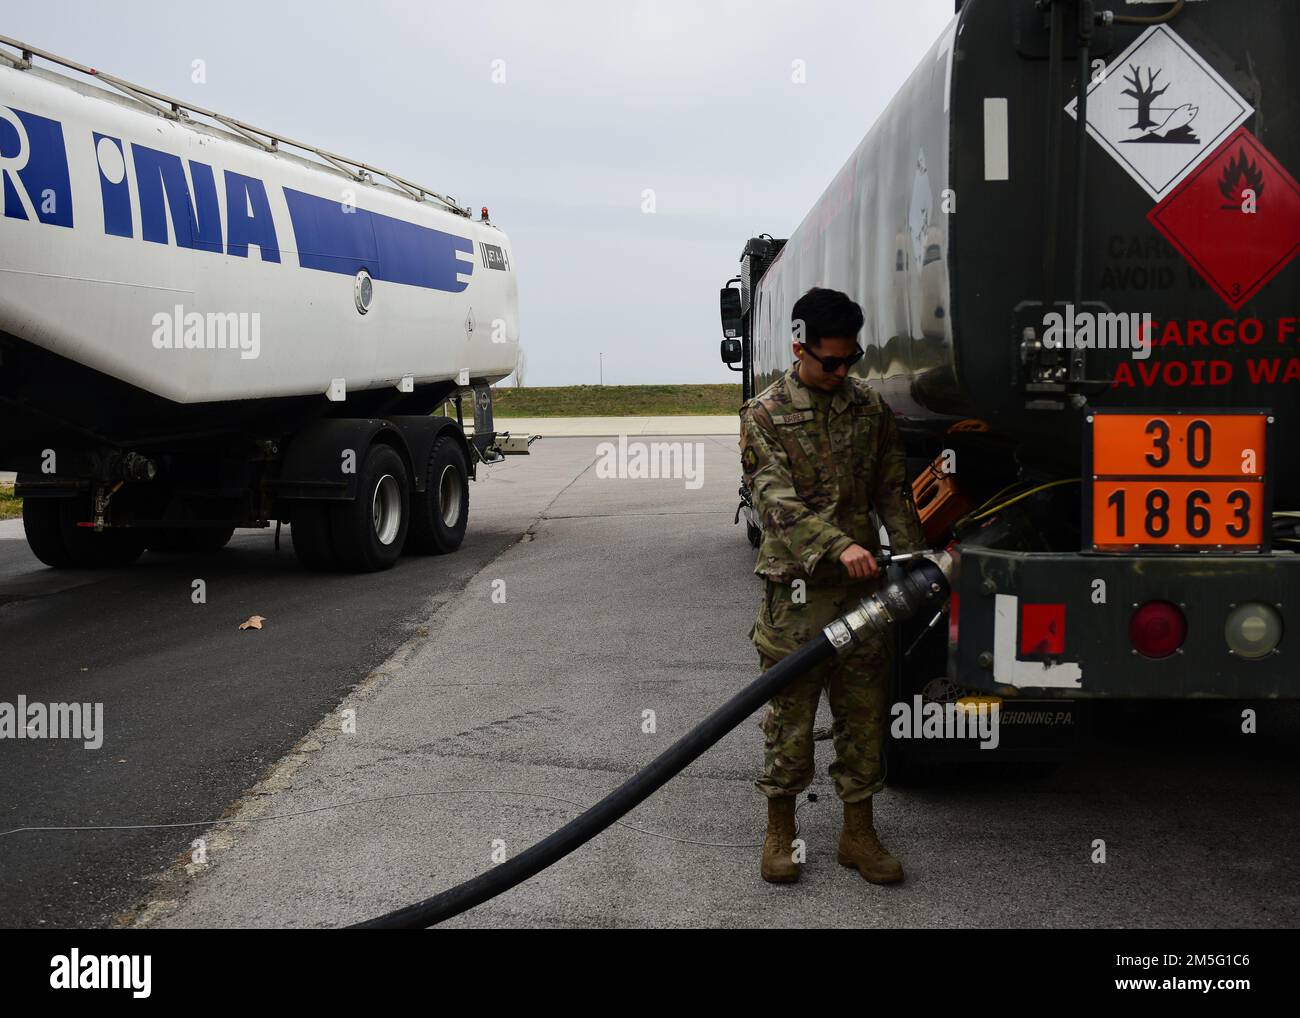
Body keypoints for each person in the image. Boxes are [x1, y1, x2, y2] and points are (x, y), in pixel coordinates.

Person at [739, 286, 925, 885]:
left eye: (851, 360)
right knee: (791, 717)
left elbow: (891, 491)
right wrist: (839, 545)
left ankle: (858, 833)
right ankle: (779, 833)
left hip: (861, 595)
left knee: (864, 711)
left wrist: (916, 556)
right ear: (800, 348)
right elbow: (775, 502)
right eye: (831, 362)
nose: (843, 372)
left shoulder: (870, 410)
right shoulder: (764, 416)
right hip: (796, 596)